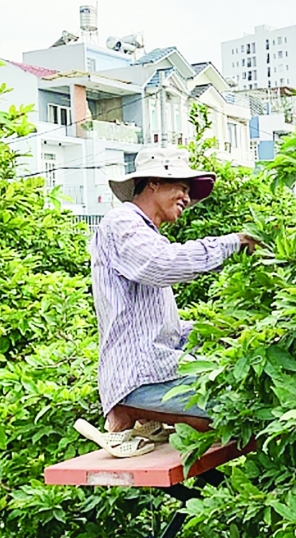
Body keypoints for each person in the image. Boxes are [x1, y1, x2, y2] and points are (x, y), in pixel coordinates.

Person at [86, 147, 256, 444]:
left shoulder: (146, 235)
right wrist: (233, 243)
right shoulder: (122, 222)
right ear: (153, 182)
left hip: (153, 372)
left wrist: (222, 332)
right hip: (141, 377)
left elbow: (159, 330)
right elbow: (164, 264)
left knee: (238, 399)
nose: (187, 198)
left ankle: (138, 416)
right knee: (239, 409)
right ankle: (130, 410)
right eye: (181, 187)